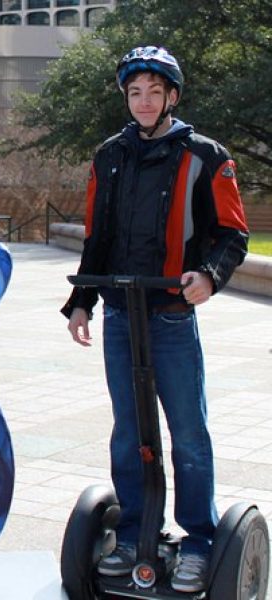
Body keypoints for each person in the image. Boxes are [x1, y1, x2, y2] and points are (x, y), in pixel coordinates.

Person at [62, 46, 248, 593]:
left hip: (169, 315)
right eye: (134, 92)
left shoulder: (206, 156)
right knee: (129, 431)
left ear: (171, 96)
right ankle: (139, 531)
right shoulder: (109, 156)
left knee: (188, 433)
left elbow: (233, 233)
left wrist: (209, 275)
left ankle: (198, 540)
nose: (143, 101)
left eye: (153, 91)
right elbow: (97, 236)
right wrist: (81, 302)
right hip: (121, 311)